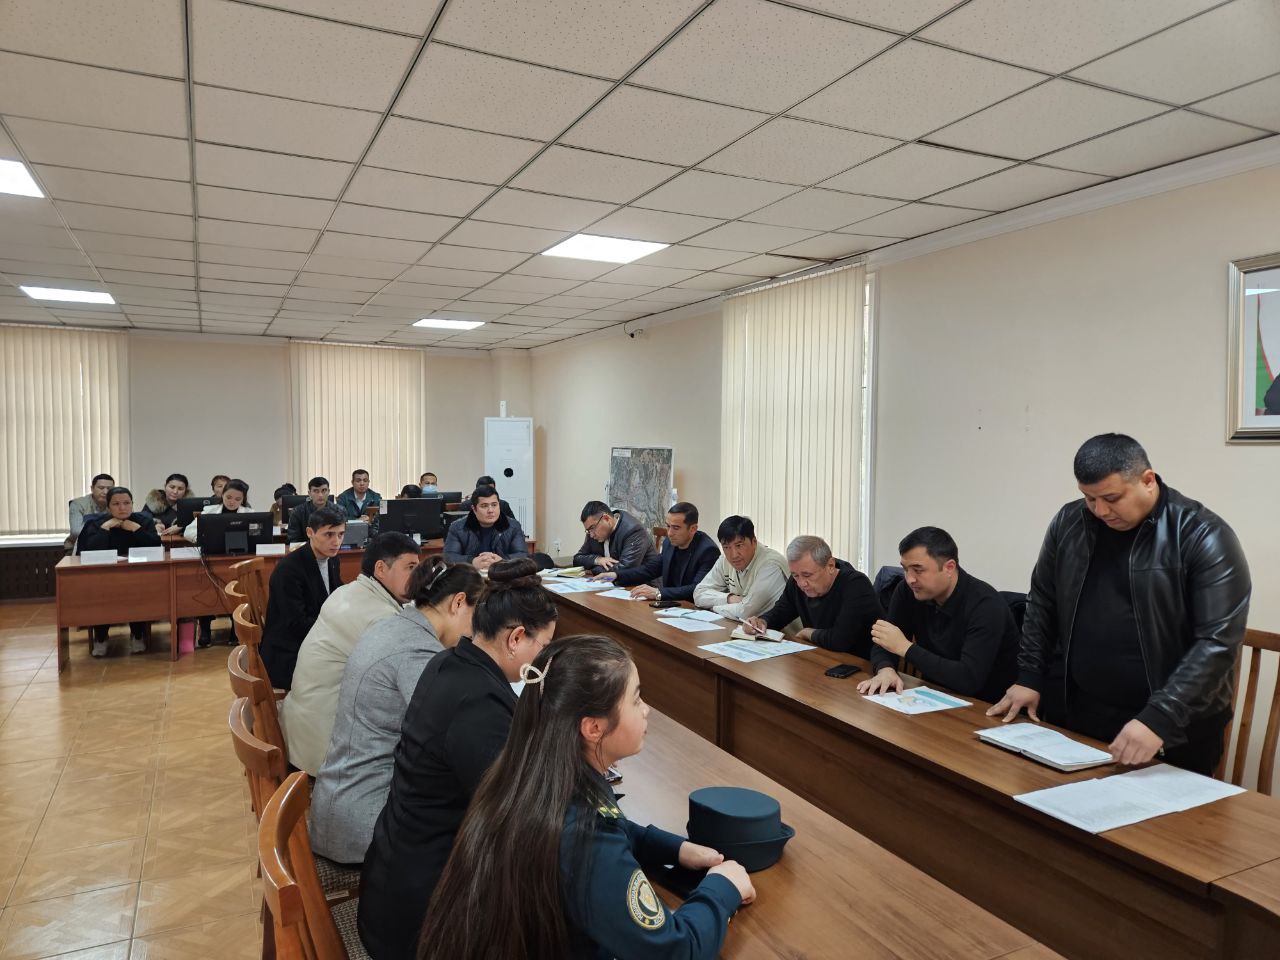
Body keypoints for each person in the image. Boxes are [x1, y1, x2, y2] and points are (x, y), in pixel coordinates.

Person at [420, 635, 752, 960]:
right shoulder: (583, 834)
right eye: (636, 700)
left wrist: (673, 849)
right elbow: (675, 950)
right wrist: (722, 888)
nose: (647, 710)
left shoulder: (529, 769)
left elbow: (610, 822)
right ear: (593, 728)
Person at [988, 434, 1251, 775]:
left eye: (1112, 498)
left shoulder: (1203, 535)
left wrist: (1160, 716)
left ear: (1148, 480)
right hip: (1082, 709)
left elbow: (1217, 643)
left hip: (1172, 725)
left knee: (1158, 812)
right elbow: (1042, 601)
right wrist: (1030, 675)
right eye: (1089, 498)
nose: (1100, 511)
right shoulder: (1069, 523)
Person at [358, 558, 557, 959]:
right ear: (516, 638)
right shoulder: (477, 702)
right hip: (423, 920)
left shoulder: (448, 662)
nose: (544, 659)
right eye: (544, 647)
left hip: (397, 878)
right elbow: (519, 815)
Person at [311, 560, 483, 865]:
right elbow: (451, 732)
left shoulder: (394, 624)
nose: (473, 632)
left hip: (341, 795)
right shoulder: (417, 651)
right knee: (479, 824)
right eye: (475, 617)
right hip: (363, 820)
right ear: (458, 603)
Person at [281, 533, 421, 775]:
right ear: (381, 569)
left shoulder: (348, 592)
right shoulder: (379, 618)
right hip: (327, 746)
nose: (418, 576)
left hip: (304, 725)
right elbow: (409, 681)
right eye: (410, 567)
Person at [858, 527, 1020, 703]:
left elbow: (969, 680)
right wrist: (885, 669)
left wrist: (906, 648)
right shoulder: (908, 591)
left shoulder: (986, 605)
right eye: (905, 569)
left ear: (949, 568)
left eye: (918, 570)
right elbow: (885, 640)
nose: (910, 579)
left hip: (987, 706)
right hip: (934, 696)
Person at [743, 535, 881, 656]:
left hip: (860, 663)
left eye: (807, 575)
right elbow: (781, 612)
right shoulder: (797, 580)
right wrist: (762, 622)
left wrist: (808, 633)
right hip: (821, 654)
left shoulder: (856, 585)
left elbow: (840, 639)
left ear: (830, 566)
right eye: (795, 575)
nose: (801, 583)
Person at [261, 505, 347, 690]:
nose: (336, 542)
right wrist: (339, 625)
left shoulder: (332, 559)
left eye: (341, 534)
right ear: (310, 533)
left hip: (313, 639)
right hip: (289, 652)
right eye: (329, 534)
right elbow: (295, 624)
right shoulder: (289, 570)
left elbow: (336, 595)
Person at [76, 486, 162, 657]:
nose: (122, 508)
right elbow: (85, 551)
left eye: (126, 503)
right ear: (108, 507)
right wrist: (104, 529)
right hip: (103, 577)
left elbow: (155, 546)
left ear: (132, 504)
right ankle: (101, 638)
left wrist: (137, 529)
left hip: (138, 576)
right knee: (102, 597)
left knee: (138, 594)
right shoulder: (95, 523)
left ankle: (137, 635)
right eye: (116, 504)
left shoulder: (143, 521)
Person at [598, 502, 720, 601]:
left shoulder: (708, 551)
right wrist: (616, 575)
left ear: (693, 529)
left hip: (693, 609)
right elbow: (649, 570)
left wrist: (658, 592)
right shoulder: (669, 543)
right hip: (670, 605)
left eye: (676, 528)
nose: (669, 533)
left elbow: (696, 589)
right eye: (668, 526)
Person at [183, 478, 253, 646]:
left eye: (237, 499)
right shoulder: (209, 511)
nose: (232, 502)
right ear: (222, 495)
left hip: (237, 560)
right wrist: (203, 538)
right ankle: (205, 629)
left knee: (237, 593)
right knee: (207, 592)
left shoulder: (249, 513)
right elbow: (188, 531)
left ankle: (235, 628)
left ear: (243, 499)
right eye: (228, 497)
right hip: (212, 559)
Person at [693, 515, 790, 621]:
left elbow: (746, 612)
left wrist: (713, 608)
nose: (734, 555)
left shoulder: (771, 565)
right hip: (745, 627)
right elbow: (698, 594)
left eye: (739, 545)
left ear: (754, 542)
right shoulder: (724, 560)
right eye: (726, 547)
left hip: (781, 630)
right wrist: (729, 598)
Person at [443, 484, 529, 570]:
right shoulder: (457, 527)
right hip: (471, 575)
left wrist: (502, 561)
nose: (490, 510)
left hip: (502, 574)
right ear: (474, 509)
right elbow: (449, 557)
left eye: (494, 505)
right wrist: (472, 562)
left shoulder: (513, 526)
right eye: (484, 506)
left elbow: (523, 555)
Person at [573, 501, 658, 576]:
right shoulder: (593, 533)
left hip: (642, 586)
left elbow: (625, 571)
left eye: (592, 528)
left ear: (606, 519)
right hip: (608, 584)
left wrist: (593, 570)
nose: (591, 535)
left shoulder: (633, 530)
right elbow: (577, 559)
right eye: (588, 530)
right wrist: (598, 560)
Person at [67, 472, 114, 552]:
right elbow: (76, 532)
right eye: (101, 488)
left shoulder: (118, 503)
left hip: (109, 546)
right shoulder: (78, 504)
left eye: (109, 489)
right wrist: (104, 529)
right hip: (79, 546)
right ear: (92, 488)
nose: (105, 492)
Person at [287, 476, 331, 542]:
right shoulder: (297, 512)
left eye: (324, 490)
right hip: (306, 547)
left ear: (328, 492)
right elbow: (293, 540)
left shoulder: (338, 511)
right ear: (309, 493)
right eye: (316, 491)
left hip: (332, 546)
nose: (320, 495)